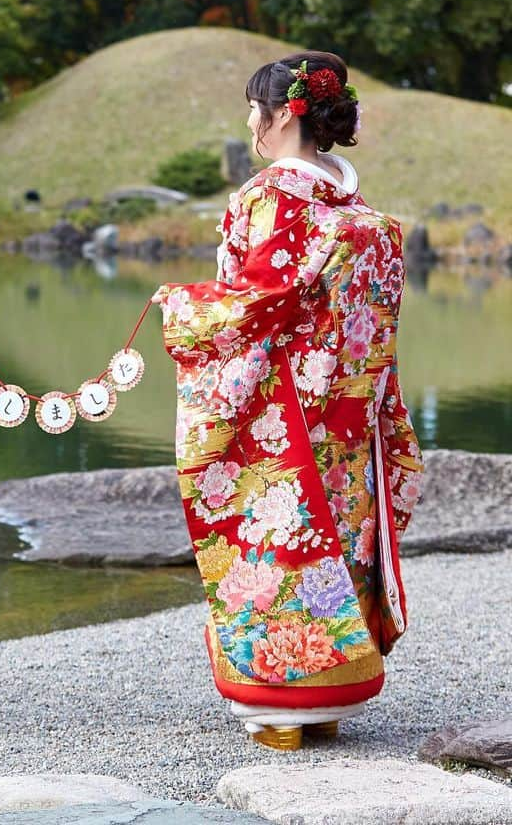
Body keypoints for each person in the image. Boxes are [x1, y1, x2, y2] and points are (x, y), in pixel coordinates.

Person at [150, 51, 424, 751]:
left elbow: (257, 303)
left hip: (284, 412)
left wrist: (182, 306)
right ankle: (332, 695)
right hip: (347, 413)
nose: (248, 121)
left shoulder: (268, 196)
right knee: (337, 537)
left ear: (281, 115)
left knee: (280, 538)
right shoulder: (356, 206)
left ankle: (282, 704)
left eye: (254, 107)